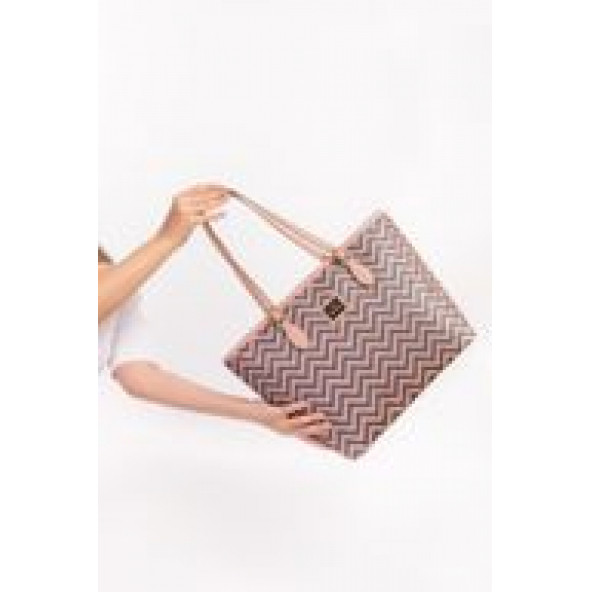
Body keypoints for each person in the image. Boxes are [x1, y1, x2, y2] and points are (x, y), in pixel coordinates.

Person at [99, 183, 331, 444]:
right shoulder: (120, 277)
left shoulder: (116, 275)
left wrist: (259, 413)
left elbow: (138, 375)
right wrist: (167, 239)